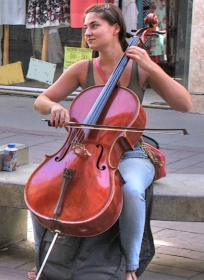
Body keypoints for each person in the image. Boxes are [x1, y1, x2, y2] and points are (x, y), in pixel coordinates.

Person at [28, 3, 192, 280]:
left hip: (132, 152)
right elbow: (41, 100)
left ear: (116, 28)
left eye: (94, 26)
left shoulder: (141, 68)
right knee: (44, 186)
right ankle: (44, 259)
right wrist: (54, 108)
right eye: (85, 28)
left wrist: (152, 67)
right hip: (85, 150)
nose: (88, 33)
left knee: (129, 190)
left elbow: (184, 104)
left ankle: (130, 266)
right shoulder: (83, 68)